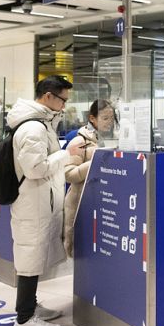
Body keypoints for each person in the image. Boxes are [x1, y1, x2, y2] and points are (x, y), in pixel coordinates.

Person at [7, 76, 85, 326]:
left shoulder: (41, 124)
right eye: (62, 99)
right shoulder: (33, 129)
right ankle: (24, 320)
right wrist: (67, 153)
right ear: (49, 96)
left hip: (39, 202)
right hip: (32, 204)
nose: (64, 106)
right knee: (30, 258)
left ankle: (30, 308)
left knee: (35, 255)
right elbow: (35, 168)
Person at [63, 99, 116, 257]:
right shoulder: (80, 141)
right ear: (92, 118)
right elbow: (69, 174)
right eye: (105, 118)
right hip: (80, 204)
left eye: (112, 118)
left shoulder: (109, 139)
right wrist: (94, 163)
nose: (109, 122)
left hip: (101, 203)